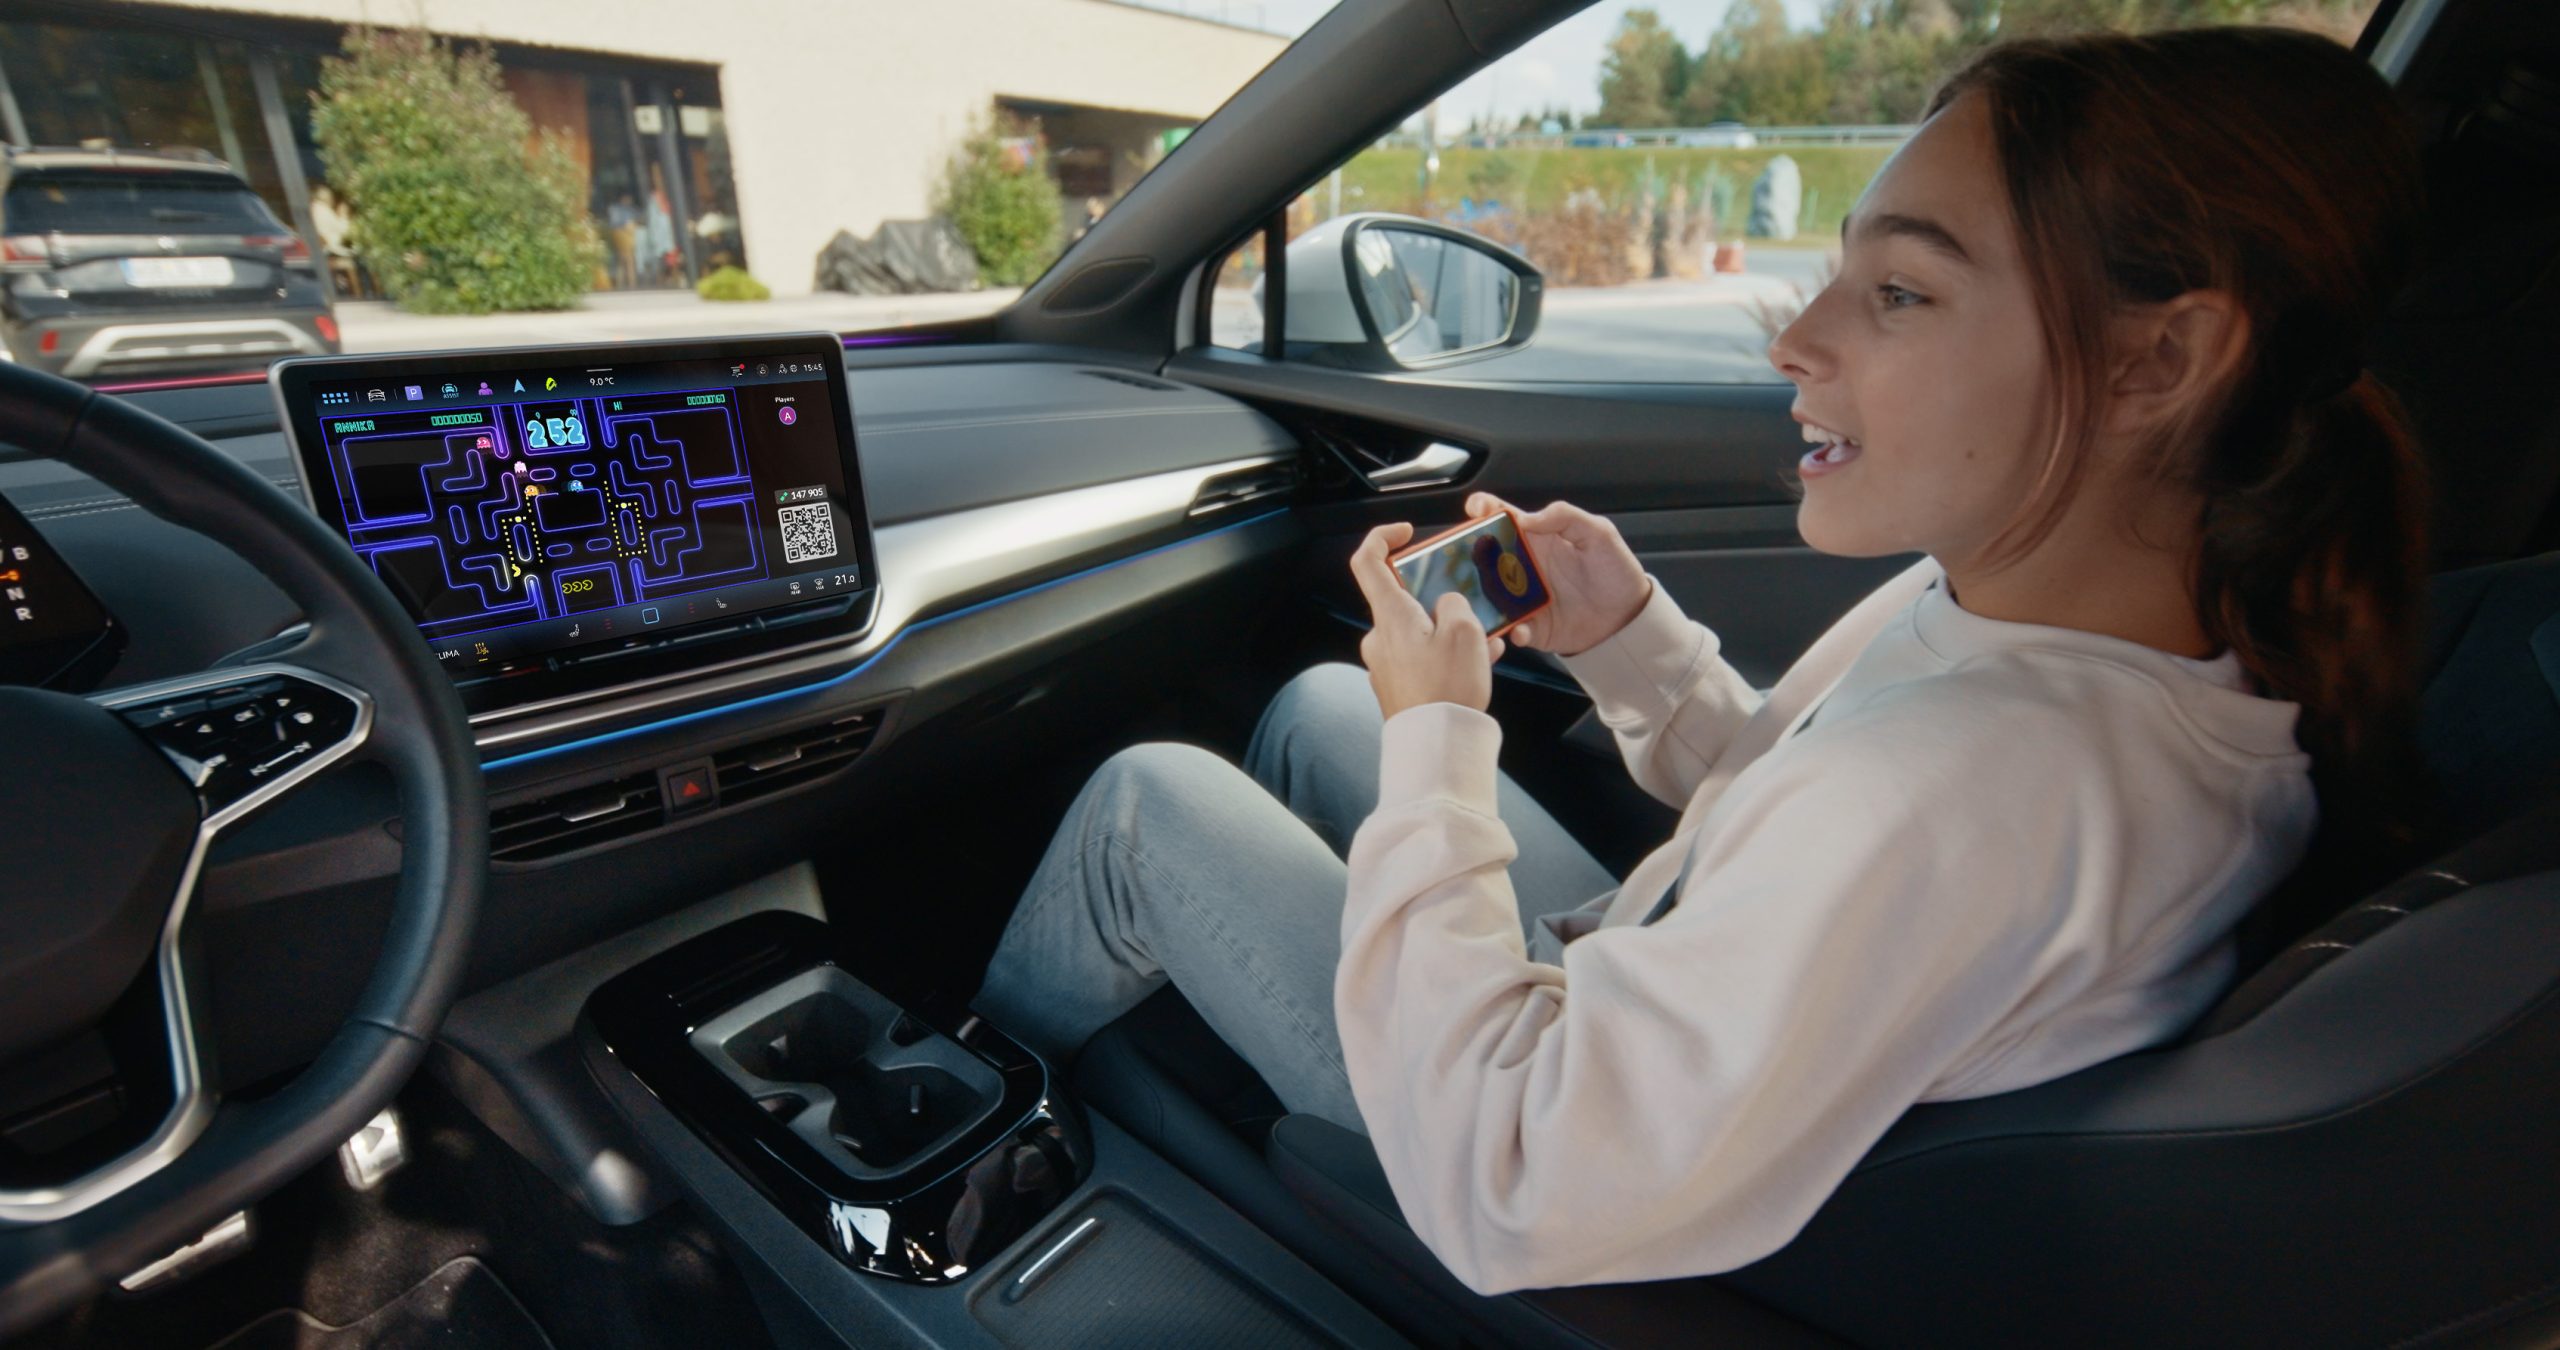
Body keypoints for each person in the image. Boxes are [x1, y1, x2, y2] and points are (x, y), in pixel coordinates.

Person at [976, 25, 2430, 1294]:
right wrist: (1635, 646)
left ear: (2157, 363)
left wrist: (1441, 739)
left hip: (1517, 1124)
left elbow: (1511, 1179)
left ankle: (958, 1123)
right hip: (1663, 1011)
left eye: (1901, 291)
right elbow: (1790, 825)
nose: (1796, 338)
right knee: (1320, 703)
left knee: (1147, 809)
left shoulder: (1964, 792)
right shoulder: (2072, 643)